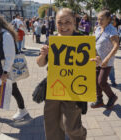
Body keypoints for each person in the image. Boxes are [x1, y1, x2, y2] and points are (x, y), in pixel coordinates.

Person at [37, 8, 87, 140]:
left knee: (71, 127)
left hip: (74, 89)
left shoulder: (83, 40)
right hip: (54, 87)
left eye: (67, 22)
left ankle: (81, 135)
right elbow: (40, 63)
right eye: (60, 22)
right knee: (51, 126)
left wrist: (97, 62)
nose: (63, 26)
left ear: (74, 22)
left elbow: (92, 63)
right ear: (55, 23)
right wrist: (43, 55)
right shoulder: (51, 40)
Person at [0, 14, 28, 121]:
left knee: (13, 90)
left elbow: (10, 55)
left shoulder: (5, 35)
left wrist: (5, 72)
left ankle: (22, 110)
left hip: (5, 70)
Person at [90, 10, 119, 109]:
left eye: (101, 19)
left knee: (101, 81)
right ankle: (99, 100)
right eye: (98, 19)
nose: (99, 21)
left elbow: (116, 46)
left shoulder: (112, 30)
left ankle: (112, 97)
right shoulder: (97, 29)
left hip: (107, 61)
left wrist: (106, 59)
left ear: (108, 19)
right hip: (97, 59)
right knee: (95, 81)